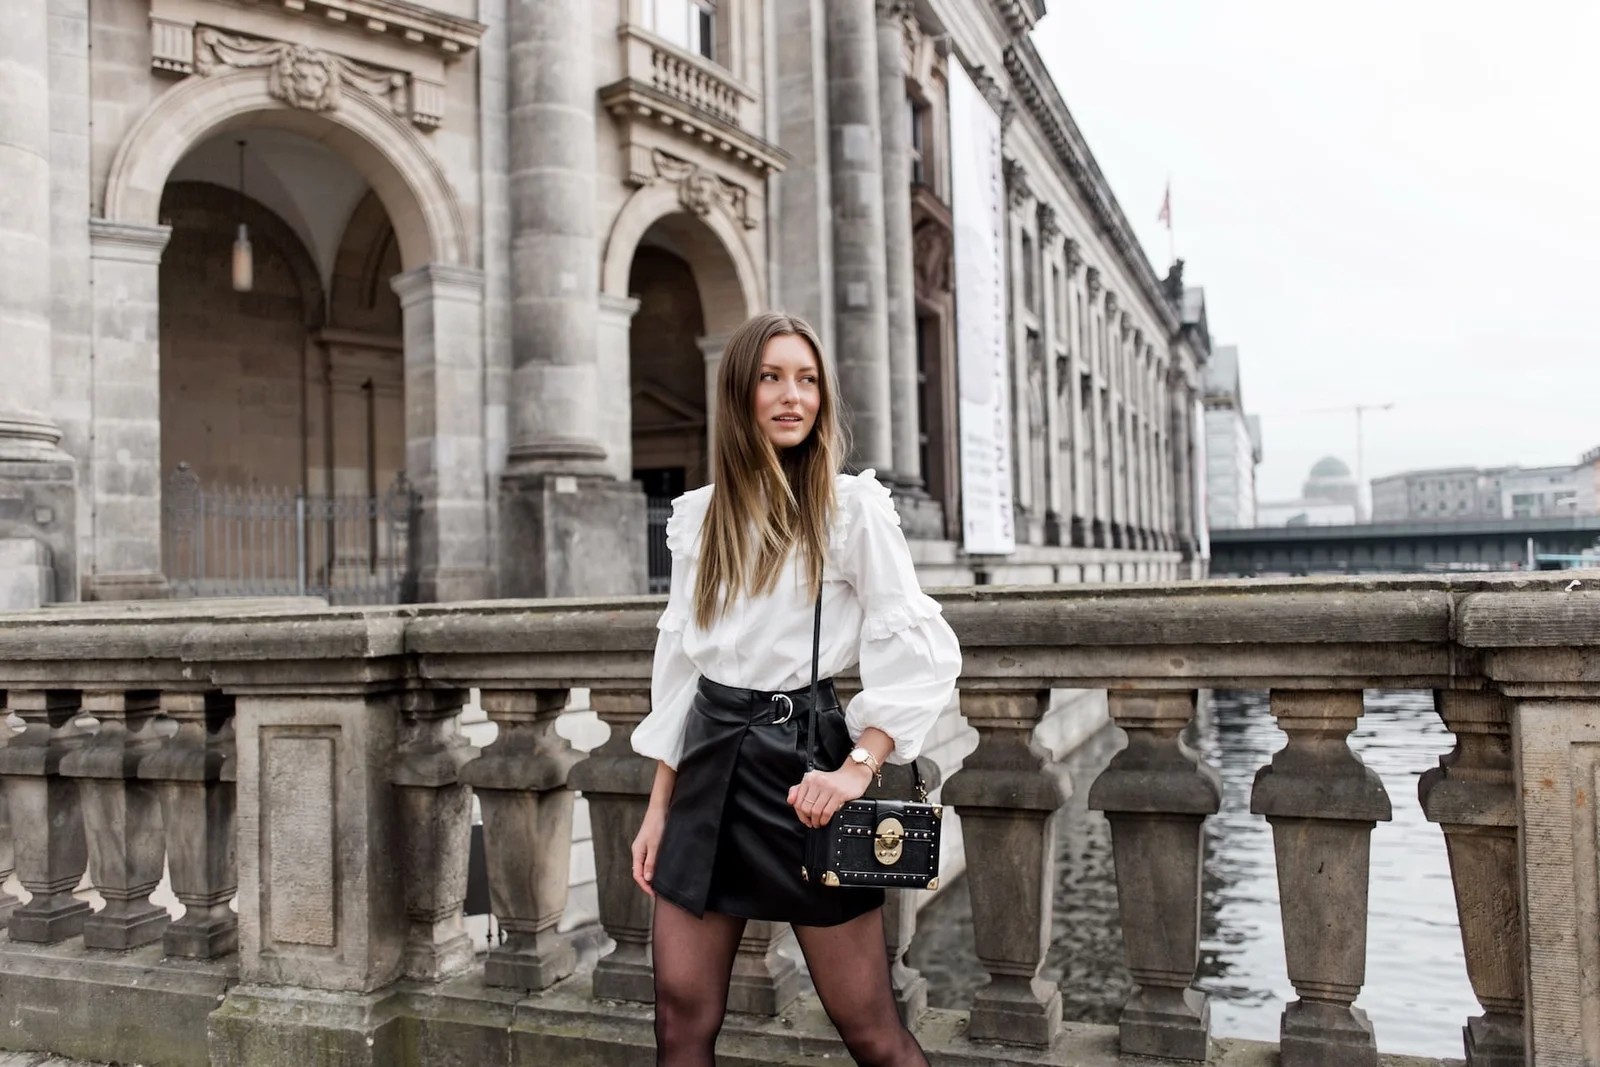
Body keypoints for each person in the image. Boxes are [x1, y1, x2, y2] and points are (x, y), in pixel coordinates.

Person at [629, 311, 961, 1067]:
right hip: (708, 765)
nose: (792, 396)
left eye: (807, 380)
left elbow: (922, 653)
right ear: (741, 392)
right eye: (773, 377)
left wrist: (856, 769)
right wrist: (658, 809)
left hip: (805, 764)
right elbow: (682, 676)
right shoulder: (699, 517)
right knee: (680, 1014)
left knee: (868, 1025)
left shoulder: (851, 510)